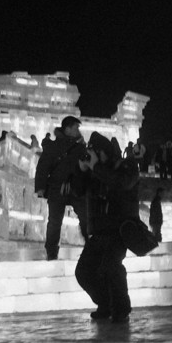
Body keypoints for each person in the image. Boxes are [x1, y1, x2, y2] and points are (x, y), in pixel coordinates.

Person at [75, 132, 139, 323]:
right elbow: (78, 190)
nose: (94, 157)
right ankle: (105, 303)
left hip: (119, 230)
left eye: (96, 153)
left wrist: (96, 167)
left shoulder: (126, 166)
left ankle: (121, 308)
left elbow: (122, 183)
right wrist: (82, 170)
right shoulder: (97, 171)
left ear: (105, 152)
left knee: (111, 267)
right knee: (84, 272)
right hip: (99, 231)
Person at [34, 116, 88, 260]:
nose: (78, 130)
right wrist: (40, 187)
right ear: (68, 129)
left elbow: (85, 167)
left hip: (75, 187)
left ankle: (90, 244)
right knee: (54, 221)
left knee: (85, 215)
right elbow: (43, 167)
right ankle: (52, 252)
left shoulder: (80, 147)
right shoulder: (53, 146)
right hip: (56, 187)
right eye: (76, 127)